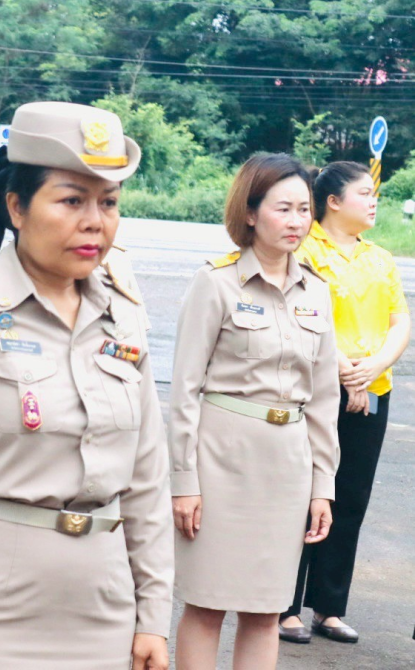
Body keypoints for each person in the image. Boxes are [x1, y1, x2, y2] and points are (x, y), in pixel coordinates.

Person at [0, 102, 172, 670]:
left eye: (109, 202)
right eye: (72, 200)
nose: (95, 221)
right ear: (17, 207)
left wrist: (153, 617)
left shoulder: (122, 317)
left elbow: (147, 483)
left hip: (104, 603)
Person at [171, 153, 340, 670]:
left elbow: (325, 399)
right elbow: (184, 389)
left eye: (304, 210)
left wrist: (322, 486)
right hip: (221, 461)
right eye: (283, 209)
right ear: (250, 212)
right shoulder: (216, 282)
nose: (296, 222)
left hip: (287, 467)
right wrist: (184, 480)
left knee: (267, 612)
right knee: (206, 605)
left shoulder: (317, 291)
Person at [280, 161, 410, 644]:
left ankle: (328, 607)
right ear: (333, 201)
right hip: (317, 388)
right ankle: (283, 605)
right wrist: (343, 370)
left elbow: (400, 322)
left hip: (373, 389)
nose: (374, 201)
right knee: (303, 495)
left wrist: (372, 368)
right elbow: (300, 313)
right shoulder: (304, 249)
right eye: (364, 193)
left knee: (350, 498)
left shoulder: (380, 257)